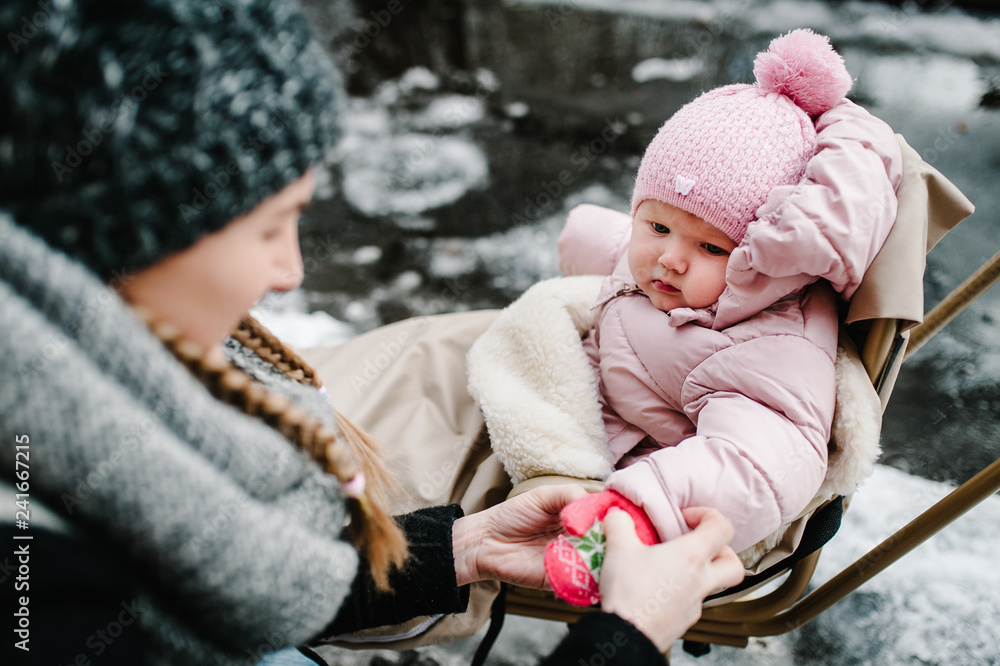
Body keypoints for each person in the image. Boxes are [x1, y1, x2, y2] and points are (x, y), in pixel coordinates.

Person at [0, 0, 743, 664]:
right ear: (128, 238)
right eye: (269, 226)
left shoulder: (70, 411)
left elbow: (233, 574)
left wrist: (457, 549)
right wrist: (627, 637)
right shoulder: (42, 597)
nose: (289, 272)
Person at [470, 30, 903, 606]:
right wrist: (586, 237)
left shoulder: (772, 346)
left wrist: (638, 511)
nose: (670, 258)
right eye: (656, 226)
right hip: (590, 406)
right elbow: (617, 249)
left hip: (646, 483)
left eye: (712, 248)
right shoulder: (672, 270)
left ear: (763, 259)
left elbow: (755, 465)